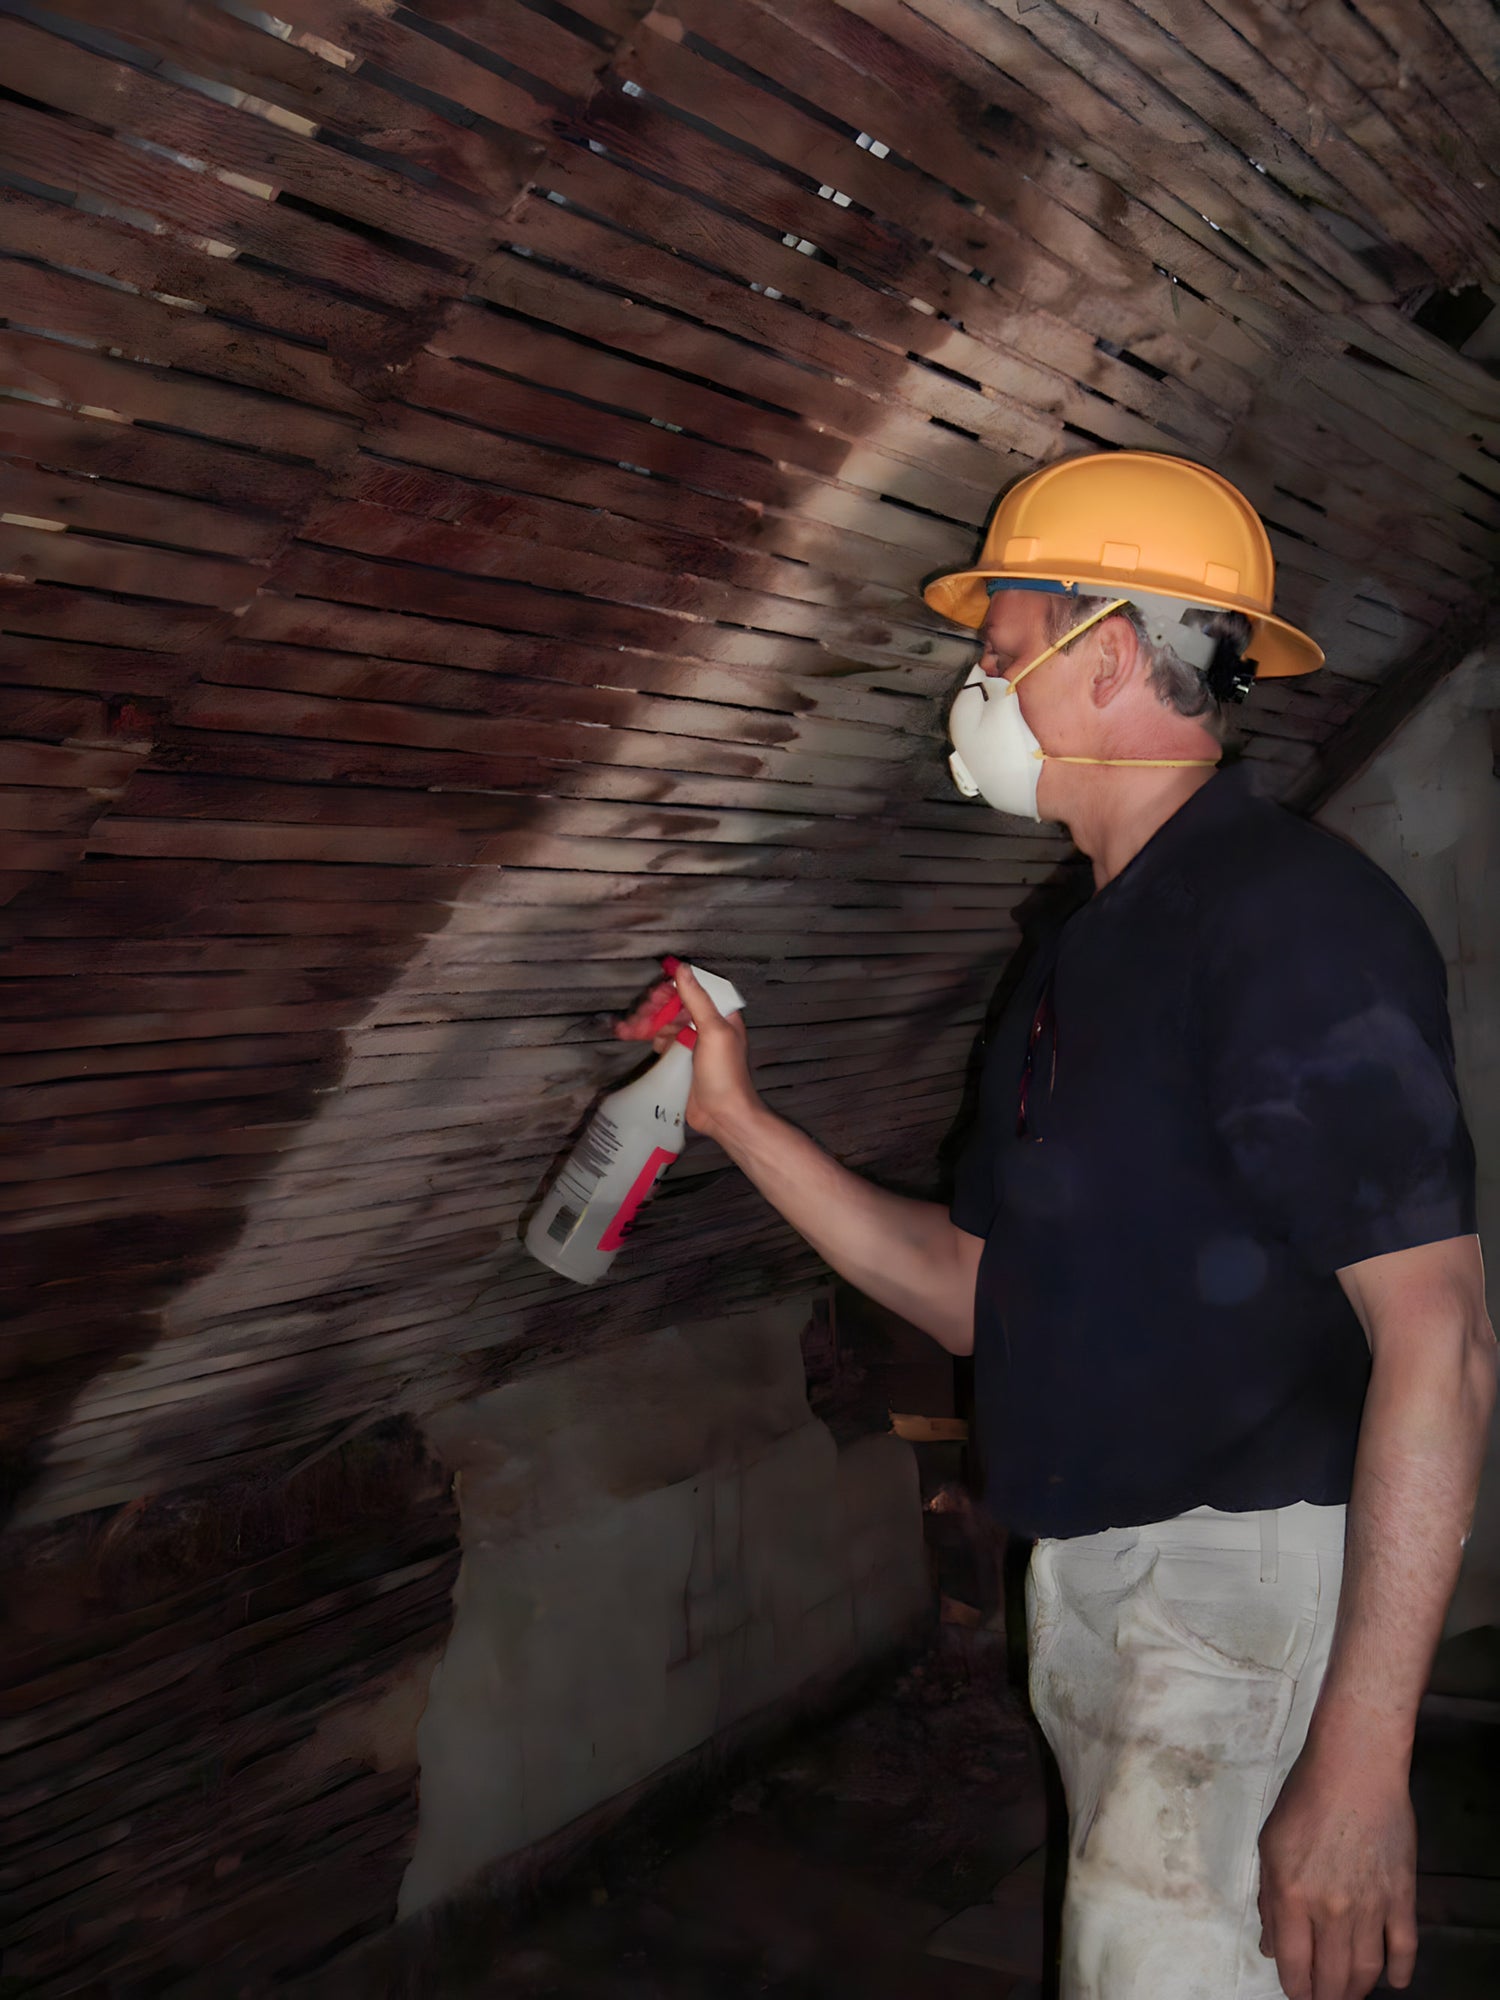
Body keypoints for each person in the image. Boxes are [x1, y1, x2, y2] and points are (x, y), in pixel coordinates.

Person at [616, 450, 1495, 2000]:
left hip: (1236, 1593)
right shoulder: (1084, 953)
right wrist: (738, 1121)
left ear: (1104, 659)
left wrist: (1360, 1769)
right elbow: (971, 1291)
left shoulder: (1286, 921)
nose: (979, 679)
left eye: (1002, 643)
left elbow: (1443, 1337)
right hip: (1102, 1589)